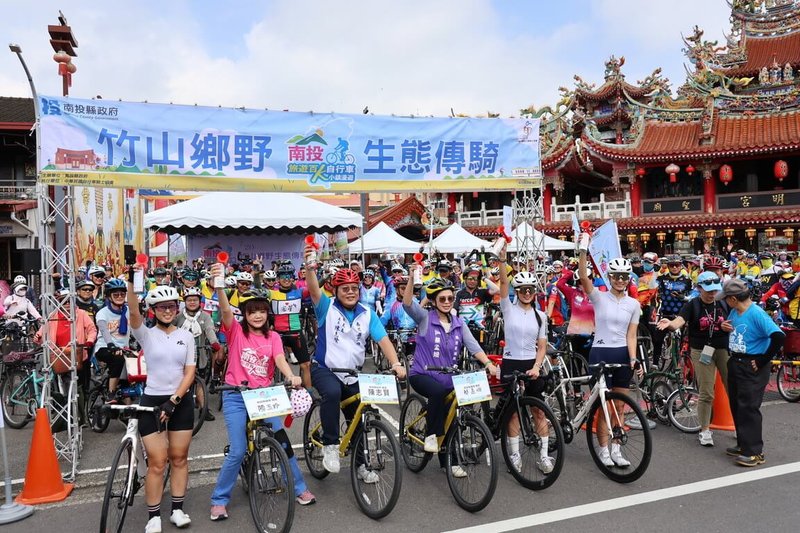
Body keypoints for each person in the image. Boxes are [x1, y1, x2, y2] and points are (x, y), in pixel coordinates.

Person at [208, 269, 315, 521]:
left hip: (263, 397)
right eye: (251, 311)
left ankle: (299, 488)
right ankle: (219, 499)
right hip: (235, 395)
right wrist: (220, 287)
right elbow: (225, 312)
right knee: (237, 450)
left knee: (282, 441)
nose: (257, 315)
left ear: (268, 313)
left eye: (262, 310)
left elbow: (279, 359)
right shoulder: (235, 332)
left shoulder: (274, 336)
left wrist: (291, 375)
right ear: (244, 315)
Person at [304, 255, 405, 478]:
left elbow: (383, 340)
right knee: (332, 392)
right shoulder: (326, 307)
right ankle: (330, 445)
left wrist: (396, 363)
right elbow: (313, 290)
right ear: (336, 290)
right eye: (345, 288)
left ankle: (361, 465)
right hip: (325, 369)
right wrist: (310, 269)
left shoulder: (367, 314)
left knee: (361, 414)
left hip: (352, 374)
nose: (350, 292)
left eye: (353, 288)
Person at [402, 270, 497, 475]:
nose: (447, 301)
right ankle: (430, 435)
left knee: (454, 415)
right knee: (437, 393)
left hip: (448, 377)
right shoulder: (425, 319)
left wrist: (488, 364)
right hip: (422, 374)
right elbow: (408, 304)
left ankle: (449, 462)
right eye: (442, 298)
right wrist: (411, 278)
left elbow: (474, 347)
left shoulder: (459, 323)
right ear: (434, 301)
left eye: (450, 298)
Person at [127, 277, 196, 532]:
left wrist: (174, 400)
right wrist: (132, 279)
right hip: (152, 400)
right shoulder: (145, 333)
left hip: (180, 400)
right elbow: (133, 310)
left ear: (177, 309)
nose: (167, 310)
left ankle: (177, 509)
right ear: (153, 310)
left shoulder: (186, 336)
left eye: (171, 306)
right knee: (157, 462)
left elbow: (189, 373)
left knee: (179, 458)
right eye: (161, 307)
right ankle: (153, 515)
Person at [578, 233, 641, 467]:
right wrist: (583, 249)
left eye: (624, 277)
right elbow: (583, 276)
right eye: (616, 276)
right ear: (610, 277)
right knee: (605, 407)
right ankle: (603, 450)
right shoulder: (599, 297)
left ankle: (616, 449)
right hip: (600, 354)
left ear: (628, 279)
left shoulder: (634, 304)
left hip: (622, 354)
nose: (620, 280)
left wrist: (633, 358)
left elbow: (631, 335)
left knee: (620, 405)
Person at [496, 248, 555, 473]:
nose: (527, 293)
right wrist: (502, 260)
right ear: (517, 291)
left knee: (538, 411)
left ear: (534, 292)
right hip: (511, 363)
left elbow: (542, 347)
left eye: (530, 290)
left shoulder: (541, 317)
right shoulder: (508, 309)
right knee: (513, 412)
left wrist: (537, 367)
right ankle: (513, 454)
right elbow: (502, 284)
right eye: (522, 290)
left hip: (532, 365)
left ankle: (543, 456)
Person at [718, 278, 785, 467]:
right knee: (737, 405)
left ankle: (755, 452)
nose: (725, 302)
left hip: (751, 363)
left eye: (726, 298)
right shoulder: (735, 310)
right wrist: (724, 328)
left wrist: (763, 360)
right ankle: (744, 444)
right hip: (736, 361)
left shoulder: (756, 313)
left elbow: (779, 336)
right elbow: (733, 328)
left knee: (749, 407)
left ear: (733, 298)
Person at [657, 271, 729, 446]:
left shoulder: (724, 303)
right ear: (699, 288)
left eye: (715, 290)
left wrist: (729, 327)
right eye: (708, 290)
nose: (712, 294)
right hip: (701, 350)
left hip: (723, 349)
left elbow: (736, 319)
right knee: (706, 391)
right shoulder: (693, 305)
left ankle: (741, 427)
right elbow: (679, 321)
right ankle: (705, 430)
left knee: (733, 388)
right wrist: (670, 324)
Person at [175, 286, 220, 422]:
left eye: (195, 300)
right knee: (180, 381)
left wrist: (214, 342)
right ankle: (178, 407)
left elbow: (209, 330)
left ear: (199, 301)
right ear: (185, 301)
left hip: (199, 353)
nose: (192, 302)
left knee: (200, 382)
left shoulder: (205, 316)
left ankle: (203, 408)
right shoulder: (178, 317)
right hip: (180, 354)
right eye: (189, 300)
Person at [268, 263, 312, 386]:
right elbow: (257, 290)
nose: (286, 279)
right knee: (273, 364)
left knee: (306, 365)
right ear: (278, 279)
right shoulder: (272, 293)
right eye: (283, 276)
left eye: (289, 276)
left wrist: (319, 274)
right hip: (278, 335)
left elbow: (314, 287)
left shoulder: (299, 292)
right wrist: (256, 272)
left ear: (293, 278)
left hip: (295, 333)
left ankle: (309, 395)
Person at [94, 278, 131, 397]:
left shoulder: (128, 311)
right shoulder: (102, 313)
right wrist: (111, 345)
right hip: (105, 347)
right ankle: (111, 393)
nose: (120, 296)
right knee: (118, 359)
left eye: (122, 294)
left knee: (129, 376)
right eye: (116, 294)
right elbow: (104, 331)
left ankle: (128, 411)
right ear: (109, 297)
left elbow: (137, 328)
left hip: (124, 348)